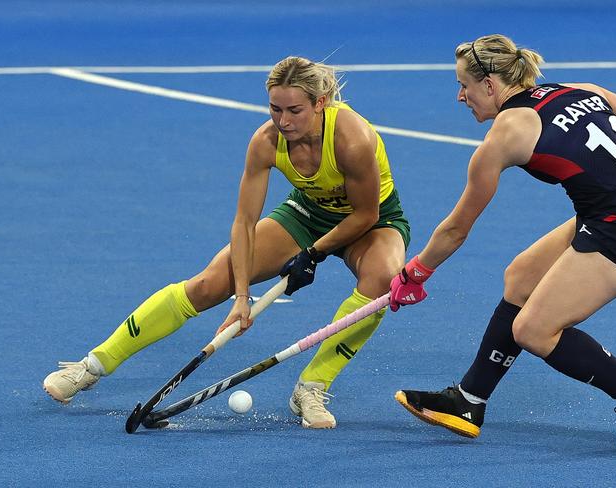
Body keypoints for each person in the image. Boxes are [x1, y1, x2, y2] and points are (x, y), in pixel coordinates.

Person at [43, 55, 410, 429]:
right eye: (274, 108)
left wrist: (312, 254)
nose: (283, 121)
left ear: (320, 102)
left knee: (383, 279)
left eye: (294, 110)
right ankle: (92, 366)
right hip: (308, 214)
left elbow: (364, 215)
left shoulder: (353, 138)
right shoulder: (267, 141)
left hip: (372, 222)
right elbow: (244, 222)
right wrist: (240, 298)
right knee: (208, 283)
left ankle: (311, 387)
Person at [389, 34, 616, 442]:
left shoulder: (505, 133)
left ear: (490, 85)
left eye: (464, 85)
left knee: (533, 330)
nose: (461, 96)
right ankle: (470, 398)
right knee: (521, 277)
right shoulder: (579, 90)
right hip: (601, 212)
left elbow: (457, 228)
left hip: (615, 224)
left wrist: (416, 272)